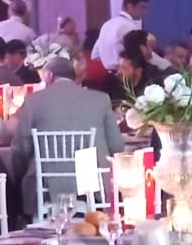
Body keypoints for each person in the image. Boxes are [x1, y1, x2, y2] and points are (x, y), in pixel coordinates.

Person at [9, 56, 124, 218]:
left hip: (48, 183)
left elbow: (20, 147)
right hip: (90, 182)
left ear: (49, 75)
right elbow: (117, 146)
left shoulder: (33, 100)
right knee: (90, 160)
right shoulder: (100, 99)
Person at [92, 0, 150, 70]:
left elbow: (95, 55)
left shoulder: (106, 25)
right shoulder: (130, 27)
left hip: (111, 74)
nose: (145, 12)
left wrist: (110, 62)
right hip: (126, 74)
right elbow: (140, 55)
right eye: (142, 7)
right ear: (129, 6)